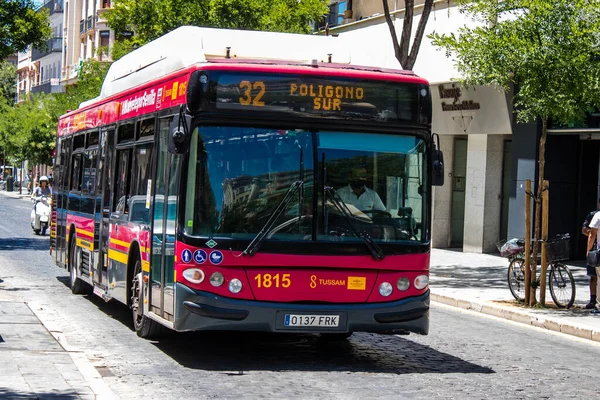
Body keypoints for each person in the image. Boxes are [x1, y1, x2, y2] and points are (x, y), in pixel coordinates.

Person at [584, 199, 600, 312]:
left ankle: (598, 305)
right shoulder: (592, 215)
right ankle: (593, 299)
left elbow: (592, 235)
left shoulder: (598, 215)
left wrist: (588, 251)